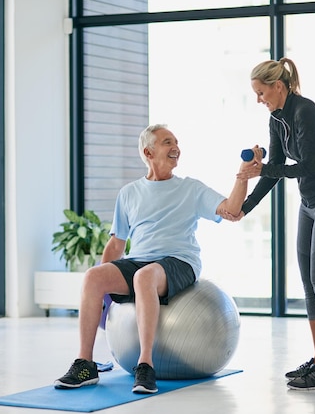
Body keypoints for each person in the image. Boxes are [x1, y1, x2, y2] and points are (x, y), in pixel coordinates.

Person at [53, 123, 259, 394]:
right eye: (167, 142)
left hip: (179, 261)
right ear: (148, 153)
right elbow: (117, 244)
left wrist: (242, 177)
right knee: (93, 276)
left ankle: (146, 365)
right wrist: (103, 292)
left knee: (145, 276)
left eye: (176, 142)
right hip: (139, 260)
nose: (176, 147)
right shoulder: (128, 193)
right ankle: (85, 364)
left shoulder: (191, 189)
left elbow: (232, 210)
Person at [234, 58, 315, 391]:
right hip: (309, 204)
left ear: (278, 86)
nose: (259, 100)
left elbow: (309, 166)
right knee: (308, 282)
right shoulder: (276, 119)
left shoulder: (305, 112)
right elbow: (274, 167)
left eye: (261, 93)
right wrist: (245, 207)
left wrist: (265, 171)